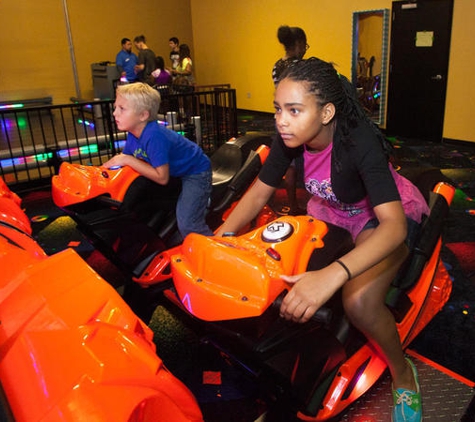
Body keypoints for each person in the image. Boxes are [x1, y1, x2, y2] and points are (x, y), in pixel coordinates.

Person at [216, 57, 428, 422]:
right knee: (281, 268)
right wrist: (222, 237)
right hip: (331, 209)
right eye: (278, 109)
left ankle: (402, 373)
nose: (282, 120)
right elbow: (258, 193)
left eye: (294, 110)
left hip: (378, 214)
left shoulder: (359, 141)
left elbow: (394, 227)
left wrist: (334, 273)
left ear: (327, 112)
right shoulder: (289, 136)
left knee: (358, 301)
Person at [103, 82, 213, 239]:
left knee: (188, 224)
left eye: (122, 109)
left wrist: (127, 159)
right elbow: (123, 162)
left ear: (143, 115)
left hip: (195, 172)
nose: (115, 113)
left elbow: (162, 177)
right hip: (176, 170)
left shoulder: (154, 136)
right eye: (115, 107)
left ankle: (214, 249)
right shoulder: (133, 133)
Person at [272, 25, 309, 215]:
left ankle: (293, 205)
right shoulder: (300, 67)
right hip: (298, 121)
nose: (305, 49)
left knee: (288, 165)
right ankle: (313, 206)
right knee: (309, 163)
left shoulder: (277, 66)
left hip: (281, 118)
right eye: (305, 45)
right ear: (298, 44)